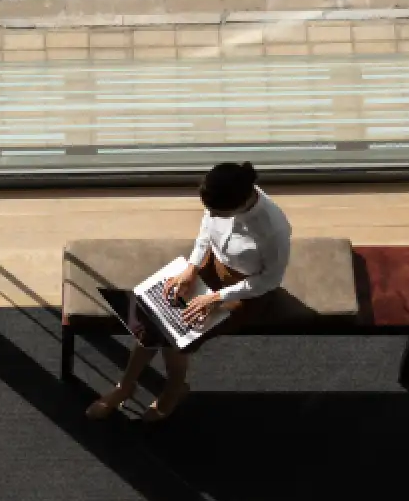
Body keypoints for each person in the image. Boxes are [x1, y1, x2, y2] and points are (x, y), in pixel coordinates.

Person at [86, 160, 292, 421]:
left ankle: (175, 387)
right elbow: (206, 233)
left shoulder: (273, 229)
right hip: (212, 265)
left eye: (218, 213)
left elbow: (270, 280)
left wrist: (216, 297)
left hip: (245, 290)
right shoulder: (221, 201)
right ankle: (125, 386)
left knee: (178, 334)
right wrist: (192, 268)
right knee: (152, 316)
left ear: (240, 203)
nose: (212, 216)